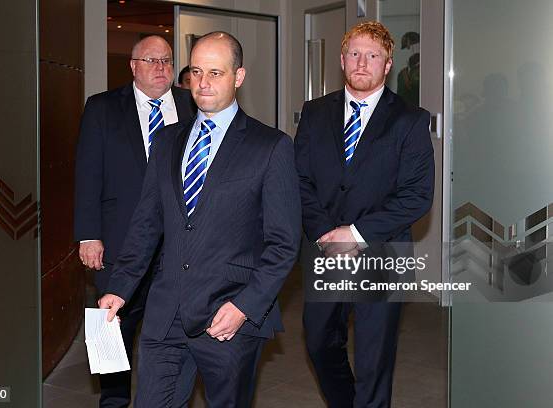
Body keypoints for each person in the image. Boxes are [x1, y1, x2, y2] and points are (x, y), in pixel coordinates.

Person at [98, 31, 301, 407]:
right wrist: (120, 286)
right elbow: (146, 224)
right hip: (166, 312)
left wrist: (244, 307)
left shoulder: (270, 147)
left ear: (238, 76)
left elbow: (284, 243)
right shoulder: (167, 141)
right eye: (195, 72)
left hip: (228, 318)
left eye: (216, 73)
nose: (203, 83)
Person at [295, 21, 434, 408]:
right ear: (342, 60)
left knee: (374, 360)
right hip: (325, 251)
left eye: (373, 56)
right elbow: (299, 179)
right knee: (320, 343)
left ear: (387, 65)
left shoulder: (410, 119)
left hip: (381, 251)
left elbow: (417, 197)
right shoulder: (315, 112)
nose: (362, 62)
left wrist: (353, 233)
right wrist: (325, 231)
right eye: (354, 53)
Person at [74, 35, 197, 408]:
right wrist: (88, 235)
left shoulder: (192, 105)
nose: (160, 68)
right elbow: (87, 175)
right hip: (118, 241)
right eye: (151, 60)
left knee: (174, 332)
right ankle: (111, 402)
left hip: (178, 246)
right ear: (133, 66)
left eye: (167, 61)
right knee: (111, 331)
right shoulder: (103, 108)